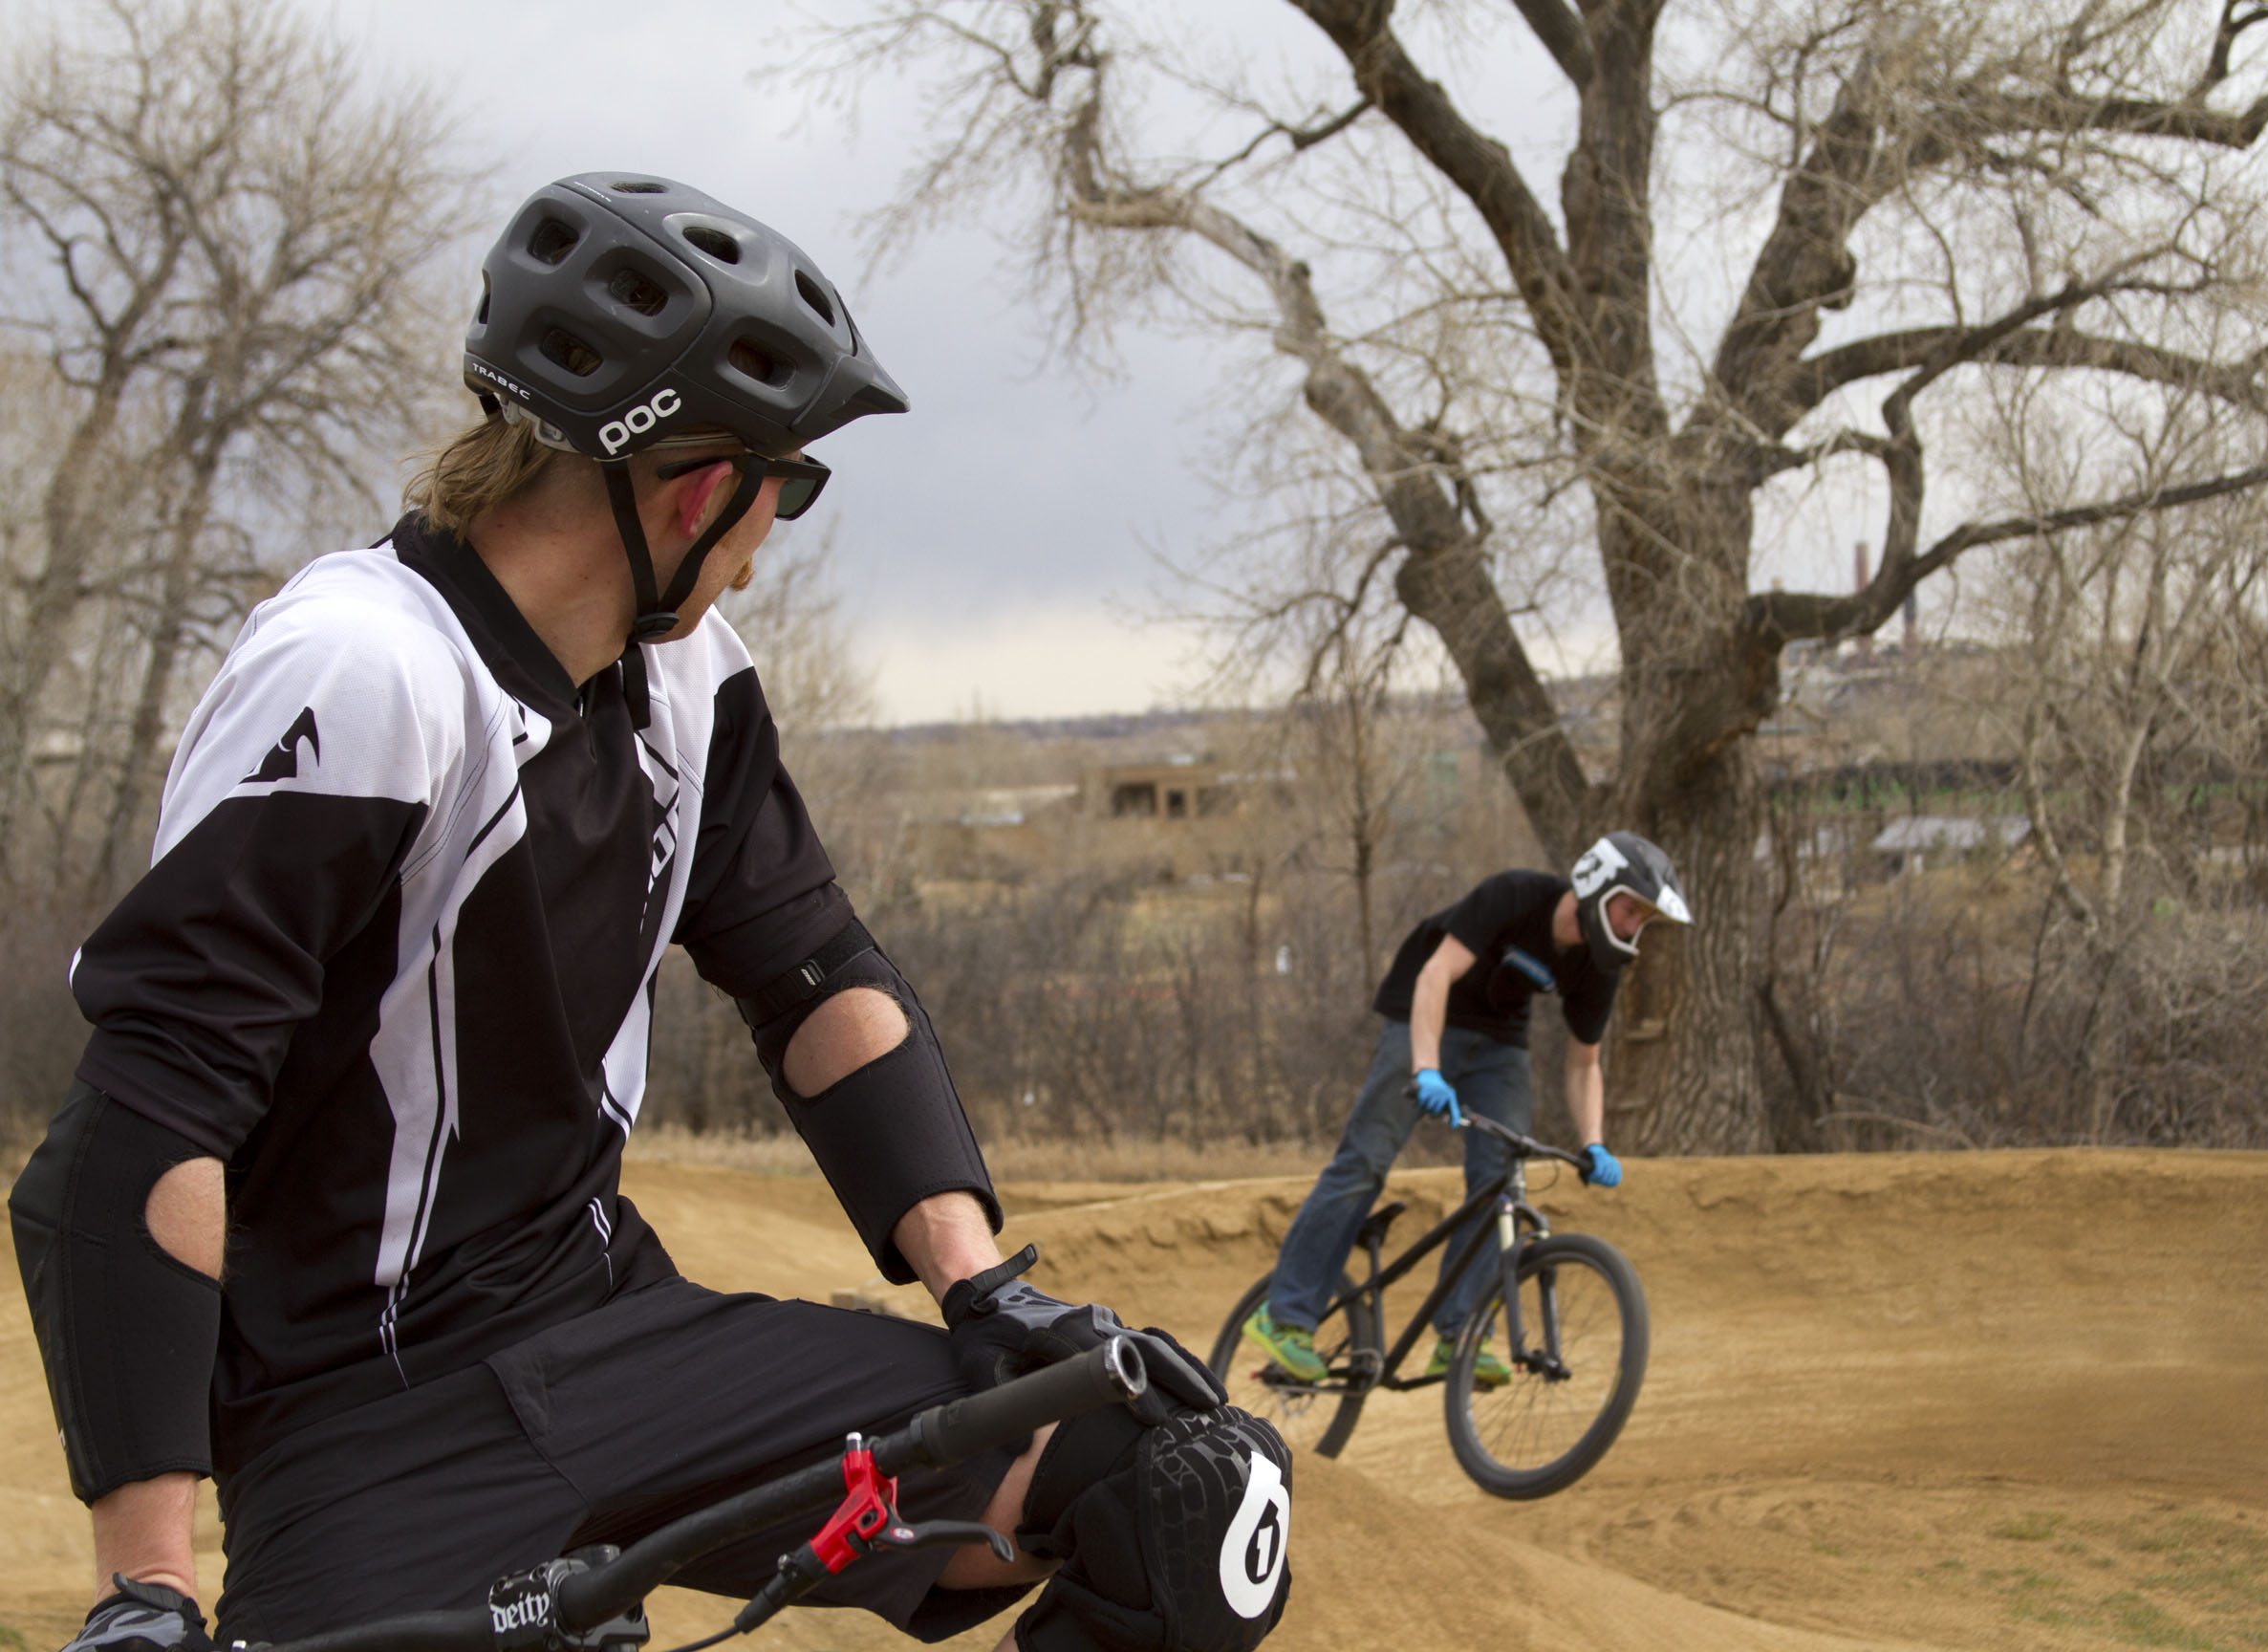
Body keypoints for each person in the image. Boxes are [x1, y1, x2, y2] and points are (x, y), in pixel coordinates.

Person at [11, 174, 1288, 1652]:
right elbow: (142, 1122)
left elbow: (817, 981)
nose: (769, 535)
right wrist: (147, 1590)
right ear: (702, 491)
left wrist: (983, 1287)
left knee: (1186, 1485)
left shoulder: (688, 679)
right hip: (365, 1417)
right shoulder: (367, 671)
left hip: (618, 1336)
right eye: (786, 490)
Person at [1244, 834, 1691, 1385]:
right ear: (1597, 884)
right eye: (1630, 910)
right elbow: (1435, 974)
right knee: (1365, 1162)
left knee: (1501, 1182)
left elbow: (1584, 1062)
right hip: (1424, 1011)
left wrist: (1594, 1141)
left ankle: (1460, 1334)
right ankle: (1285, 1316)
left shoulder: (1599, 965)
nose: (1632, 927)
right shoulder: (1515, 895)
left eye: (1642, 919)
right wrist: (1426, 1068)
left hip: (1499, 1042)